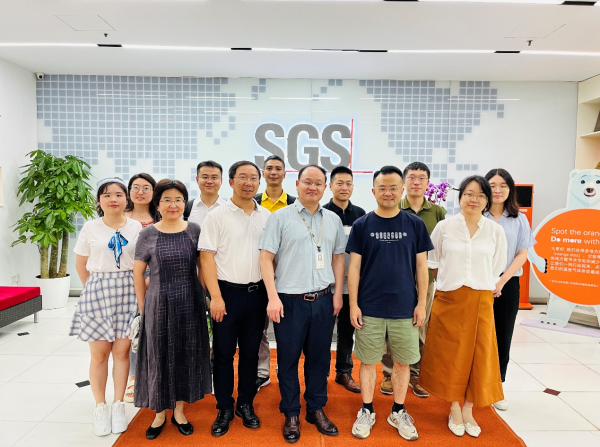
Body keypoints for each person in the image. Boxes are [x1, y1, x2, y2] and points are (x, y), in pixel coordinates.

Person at [259, 165, 346, 443]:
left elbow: (338, 258)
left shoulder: (332, 219)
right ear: (296, 184)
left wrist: (337, 294)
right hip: (289, 301)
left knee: (319, 359)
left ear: (325, 188)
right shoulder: (280, 217)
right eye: (307, 182)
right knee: (287, 360)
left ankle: (316, 409)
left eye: (318, 183)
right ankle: (291, 413)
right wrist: (272, 297)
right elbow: (265, 258)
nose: (312, 187)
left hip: (323, 299)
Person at [348, 166, 432, 441]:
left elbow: (422, 267)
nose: (388, 193)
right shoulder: (362, 225)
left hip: (404, 308)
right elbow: (354, 268)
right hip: (369, 308)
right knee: (368, 362)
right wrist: (353, 305)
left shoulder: (415, 225)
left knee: (402, 363)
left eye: (394, 187)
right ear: (373, 191)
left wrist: (421, 304)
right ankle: (367, 410)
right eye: (382, 188)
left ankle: (398, 410)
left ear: (402, 190)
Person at [419, 175, 507, 438]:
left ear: (487, 200)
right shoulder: (445, 227)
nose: (474, 199)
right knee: (451, 356)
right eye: (469, 194)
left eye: (480, 195)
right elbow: (433, 262)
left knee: (479, 356)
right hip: (450, 299)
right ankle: (454, 407)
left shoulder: (495, 231)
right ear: (460, 197)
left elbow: (496, 267)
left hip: (481, 301)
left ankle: (469, 408)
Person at [133, 180, 212, 440]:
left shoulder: (194, 230)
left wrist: (204, 296)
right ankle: (158, 414)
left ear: (184, 203)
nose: (173, 205)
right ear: (158, 204)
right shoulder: (148, 234)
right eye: (167, 200)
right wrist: (143, 306)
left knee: (185, 355)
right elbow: (138, 273)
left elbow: (202, 267)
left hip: (190, 301)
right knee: (158, 356)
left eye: (178, 200)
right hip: (158, 302)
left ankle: (179, 411)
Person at [199, 161, 271, 436]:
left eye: (253, 178)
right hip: (225, 296)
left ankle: (245, 404)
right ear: (231, 182)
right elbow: (206, 258)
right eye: (242, 177)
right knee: (223, 354)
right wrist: (215, 297)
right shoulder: (217, 216)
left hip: (257, 296)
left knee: (251, 353)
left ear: (259, 183)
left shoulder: (266, 216)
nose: (248, 183)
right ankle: (224, 407)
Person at [69, 177, 142, 437]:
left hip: (128, 290)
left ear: (126, 199)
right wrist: (94, 291)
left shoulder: (136, 227)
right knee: (99, 354)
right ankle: (100, 406)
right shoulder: (91, 227)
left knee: (122, 352)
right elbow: (81, 264)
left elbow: (141, 263)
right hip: (98, 290)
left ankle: (118, 404)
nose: (113, 199)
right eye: (107, 195)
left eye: (119, 194)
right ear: (99, 200)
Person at [380, 162, 446, 397]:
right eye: (412, 177)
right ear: (404, 182)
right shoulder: (392, 207)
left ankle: (416, 374)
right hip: (395, 280)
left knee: (420, 325)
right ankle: (389, 374)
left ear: (428, 182)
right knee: (391, 327)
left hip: (425, 279)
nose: (416, 182)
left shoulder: (438, 212)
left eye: (422, 178)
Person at [484, 168, 536, 412]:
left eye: (503, 185)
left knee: (502, 336)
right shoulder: (476, 214)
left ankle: (497, 387)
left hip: (507, 284)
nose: (497, 190)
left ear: (510, 189)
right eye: (492, 185)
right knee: (476, 337)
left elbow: (522, 253)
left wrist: (502, 281)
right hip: (478, 283)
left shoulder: (519, 218)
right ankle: (472, 385)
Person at [254, 155, 296, 391]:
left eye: (278, 168)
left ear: (284, 174)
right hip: (259, 275)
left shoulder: (294, 204)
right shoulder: (253, 203)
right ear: (263, 172)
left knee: (286, 328)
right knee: (259, 328)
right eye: (269, 168)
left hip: (287, 277)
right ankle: (262, 371)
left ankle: (284, 367)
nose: (273, 172)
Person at [322, 165, 365, 394]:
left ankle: (344, 372)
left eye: (348, 183)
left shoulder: (361, 214)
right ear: (330, 186)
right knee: (322, 332)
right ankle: (320, 374)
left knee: (347, 331)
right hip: (326, 285)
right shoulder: (322, 213)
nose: (344, 187)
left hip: (352, 285)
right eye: (339, 183)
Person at [124, 173, 160, 404]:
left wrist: (152, 277)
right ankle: (133, 376)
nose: (140, 192)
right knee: (133, 328)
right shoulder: (121, 217)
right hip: (127, 277)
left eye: (146, 187)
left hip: (156, 277)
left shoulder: (161, 217)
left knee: (152, 327)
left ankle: (155, 373)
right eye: (135, 187)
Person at [184, 160, 227, 226]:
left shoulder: (229, 209)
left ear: (221, 180)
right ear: (197, 179)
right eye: (205, 177)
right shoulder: (186, 209)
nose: (209, 181)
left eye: (214, 177)